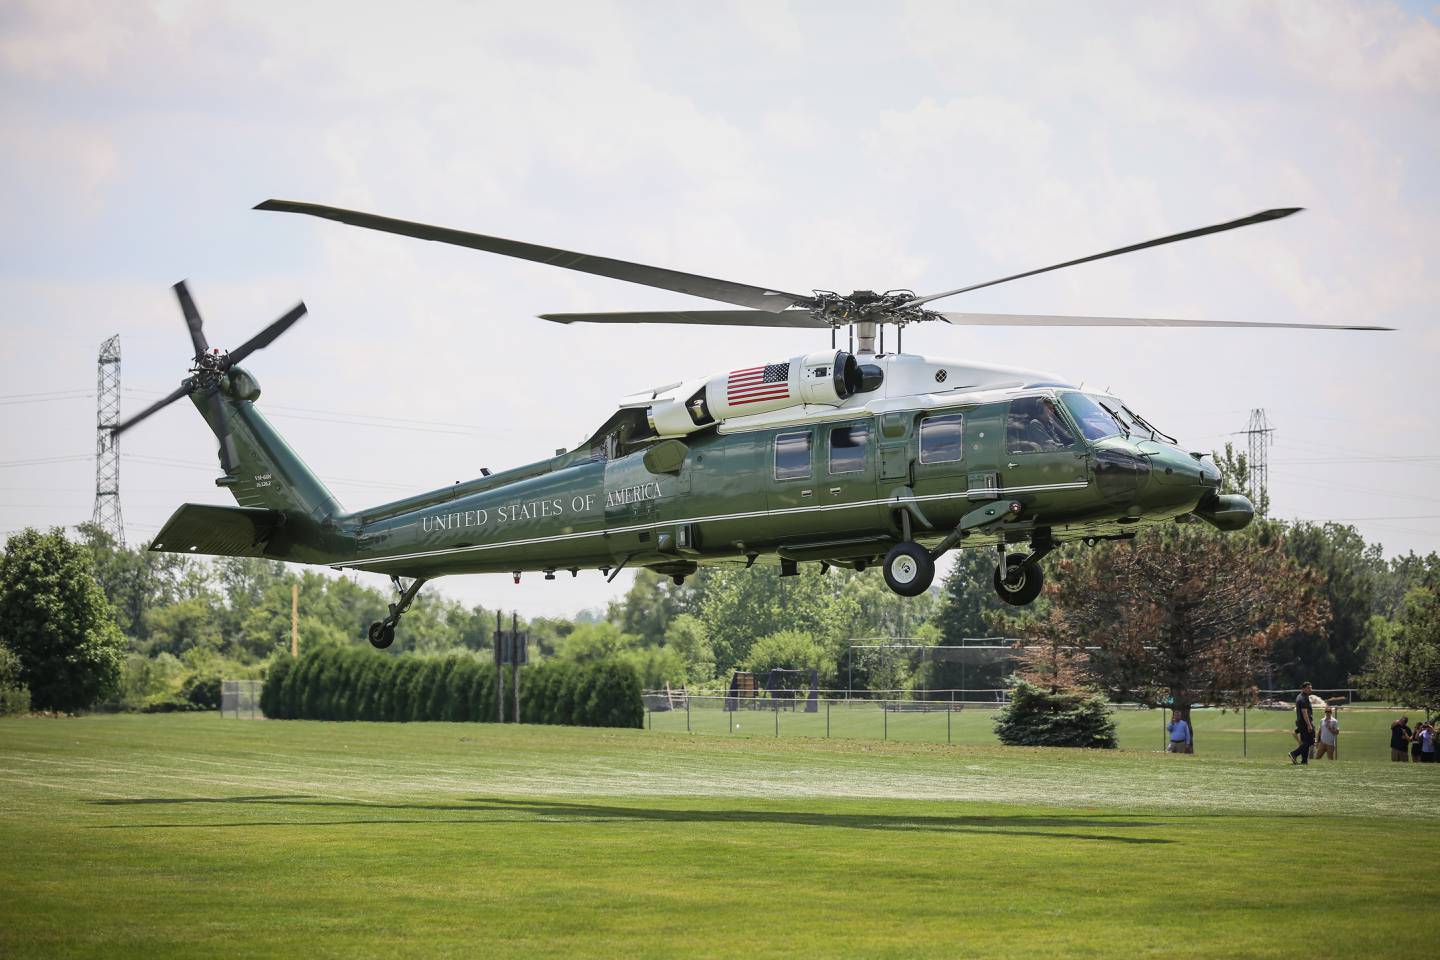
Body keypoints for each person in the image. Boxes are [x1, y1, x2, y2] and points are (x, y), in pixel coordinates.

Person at [1289, 682, 1315, 765]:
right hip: (1305, 723)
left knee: (1305, 742)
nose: (1310, 689)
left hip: (1301, 723)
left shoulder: (1301, 696)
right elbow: (1304, 712)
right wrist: (1309, 724)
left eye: (1310, 688)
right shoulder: (1303, 698)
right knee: (1310, 741)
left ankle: (1304, 761)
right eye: (1308, 688)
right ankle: (1294, 753)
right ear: (1303, 689)